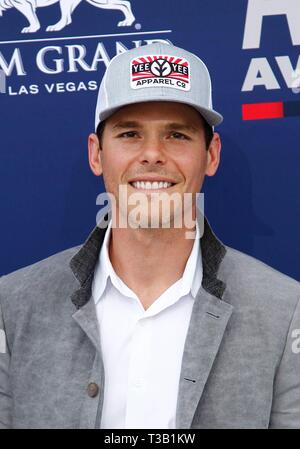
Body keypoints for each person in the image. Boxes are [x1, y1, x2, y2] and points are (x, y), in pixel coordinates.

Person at [1, 42, 300, 429]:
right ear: (96, 154)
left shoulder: (283, 307)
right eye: (129, 134)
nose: (153, 154)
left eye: (177, 135)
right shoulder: (14, 303)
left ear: (211, 155)